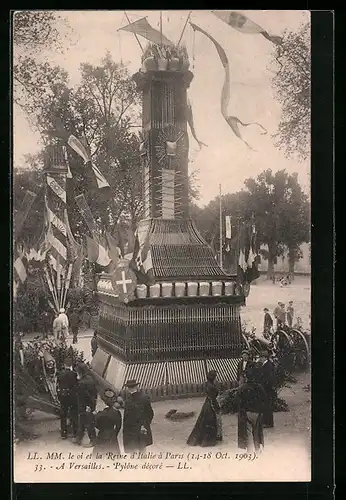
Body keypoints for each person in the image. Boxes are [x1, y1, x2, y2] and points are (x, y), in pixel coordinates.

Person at [234, 366, 268, 452]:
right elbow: (265, 399)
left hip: (246, 412)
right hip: (257, 412)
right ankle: (257, 449)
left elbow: (237, 401)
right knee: (257, 431)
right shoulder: (259, 387)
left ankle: (249, 450)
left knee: (248, 432)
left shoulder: (241, 388)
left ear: (246, 377)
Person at [187, 370, 222, 447]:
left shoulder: (207, 384)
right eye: (215, 377)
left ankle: (201, 439)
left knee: (203, 422)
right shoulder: (212, 387)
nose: (216, 379)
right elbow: (213, 398)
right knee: (210, 421)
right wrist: (217, 408)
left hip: (207, 404)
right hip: (210, 404)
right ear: (213, 378)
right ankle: (208, 441)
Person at [123, 379, 154, 453]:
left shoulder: (128, 401)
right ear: (136, 386)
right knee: (142, 448)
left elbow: (127, 418)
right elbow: (150, 413)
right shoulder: (144, 397)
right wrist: (146, 424)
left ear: (128, 388)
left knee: (133, 450)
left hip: (131, 429)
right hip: (142, 427)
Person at [74, 362, 97, 447]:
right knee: (82, 423)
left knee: (88, 424)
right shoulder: (90, 379)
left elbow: (84, 396)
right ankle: (78, 439)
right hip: (90, 405)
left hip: (84, 406)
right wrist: (93, 404)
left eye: (77, 372)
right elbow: (95, 392)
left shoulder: (81, 383)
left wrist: (88, 406)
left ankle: (93, 441)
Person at [93, 389, 122, 454]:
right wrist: (114, 434)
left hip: (102, 435)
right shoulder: (117, 413)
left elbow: (96, 425)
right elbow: (118, 426)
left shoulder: (100, 414)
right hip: (112, 435)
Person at [57, 357, 78, 440]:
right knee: (73, 414)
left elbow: (58, 385)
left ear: (64, 364)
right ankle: (75, 432)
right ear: (71, 365)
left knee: (63, 414)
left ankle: (63, 433)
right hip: (72, 397)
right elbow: (75, 386)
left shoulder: (60, 374)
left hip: (63, 396)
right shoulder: (74, 374)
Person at [257, 350, 276, 428]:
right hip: (266, 388)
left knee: (267, 406)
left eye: (261, 357)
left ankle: (268, 423)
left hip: (267, 389)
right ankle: (266, 421)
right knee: (265, 405)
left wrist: (264, 386)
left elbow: (269, 379)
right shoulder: (266, 365)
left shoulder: (268, 365)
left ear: (264, 357)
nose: (260, 359)